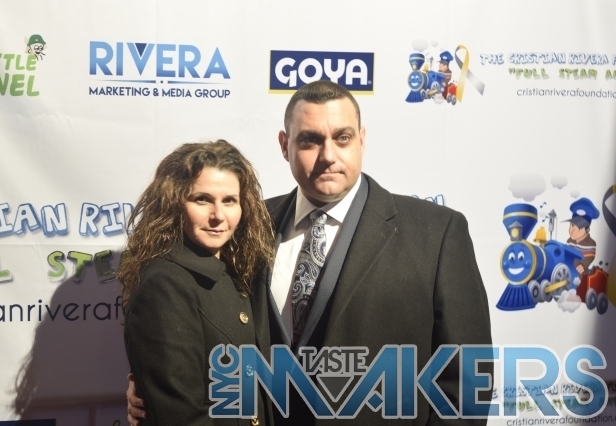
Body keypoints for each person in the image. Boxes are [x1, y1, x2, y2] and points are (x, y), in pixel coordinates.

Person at [127, 81, 493, 425]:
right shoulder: (246, 224)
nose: (328, 156)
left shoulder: (436, 232)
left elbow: (466, 379)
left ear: (362, 140)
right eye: (310, 140)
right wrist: (153, 387)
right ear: (285, 145)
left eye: (342, 138)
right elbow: (199, 322)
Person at [120, 140, 275, 425]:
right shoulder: (164, 284)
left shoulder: (238, 269)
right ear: (174, 203)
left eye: (230, 200)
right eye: (202, 199)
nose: (218, 216)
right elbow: (181, 416)